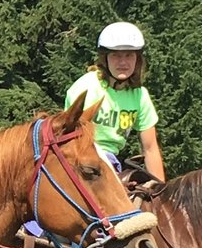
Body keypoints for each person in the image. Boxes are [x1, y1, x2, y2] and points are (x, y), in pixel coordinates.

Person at [66, 21, 164, 181]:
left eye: (129, 55)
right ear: (105, 59)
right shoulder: (86, 87)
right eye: (116, 55)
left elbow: (150, 148)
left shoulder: (139, 96)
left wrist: (161, 191)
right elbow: (69, 138)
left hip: (111, 164)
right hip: (82, 160)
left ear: (137, 60)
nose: (123, 62)